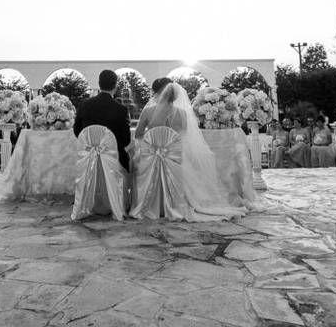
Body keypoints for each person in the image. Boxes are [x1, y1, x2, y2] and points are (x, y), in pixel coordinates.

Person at [130, 82, 246, 221]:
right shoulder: (182, 113)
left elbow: (138, 134)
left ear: (158, 94)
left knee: (135, 163)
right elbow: (184, 139)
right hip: (176, 157)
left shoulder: (148, 111)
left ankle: (150, 205)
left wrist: (153, 142)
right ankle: (176, 204)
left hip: (152, 155)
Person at [73, 69, 132, 170]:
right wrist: (108, 148)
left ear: (99, 84)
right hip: (114, 161)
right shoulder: (121, 109)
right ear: (115, 85)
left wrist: (92, 146)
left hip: (89, 158)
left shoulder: (84, 105)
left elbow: (77, 131)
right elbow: (126, 140)